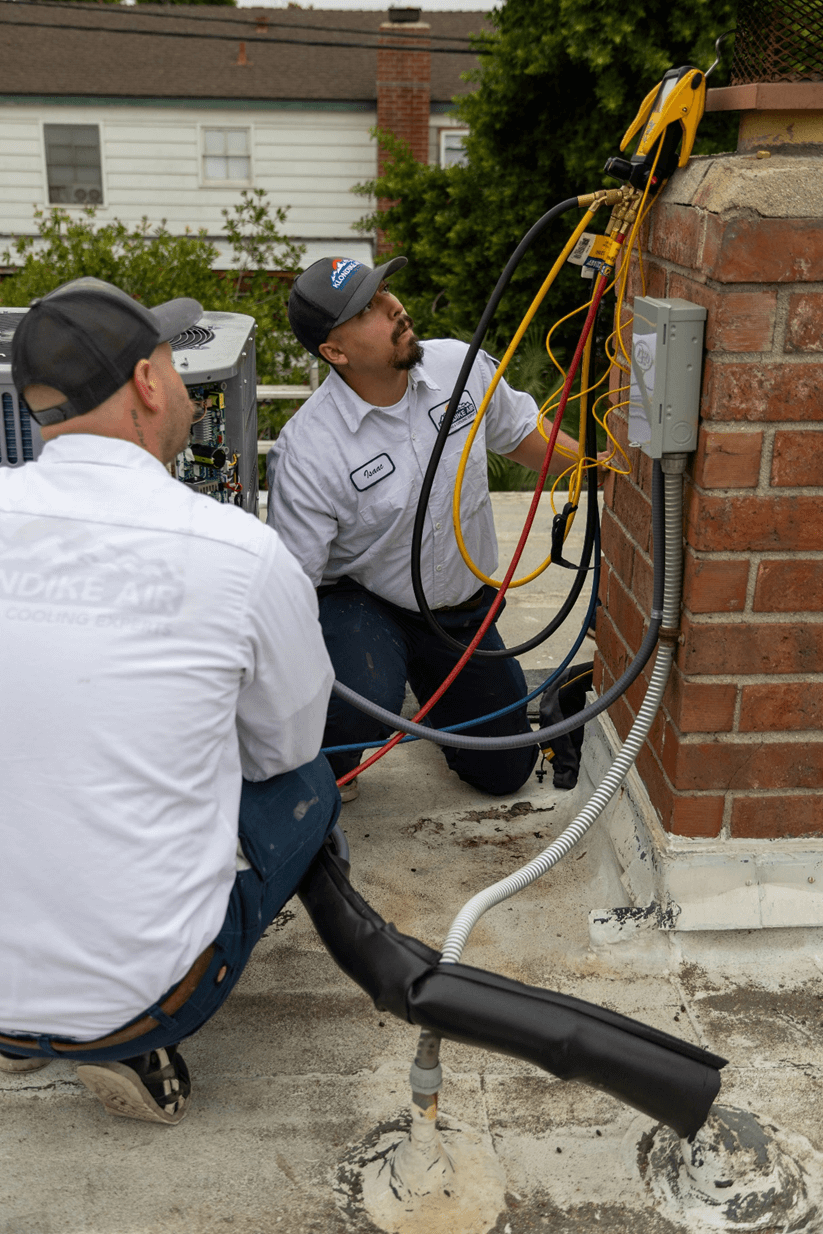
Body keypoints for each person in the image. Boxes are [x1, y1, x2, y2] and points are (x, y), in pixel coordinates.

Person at [0, 277, 339, 1125]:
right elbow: (284, 747)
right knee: (311, 785)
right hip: (145, 997)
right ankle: (122, 1036)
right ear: (149, 385)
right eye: (172, 363)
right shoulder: (239, 552)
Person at [267, 256, 584, 802]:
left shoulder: (459, 368)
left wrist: (604, 468)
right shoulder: (309, 449)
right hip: (366, 602)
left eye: (385, 291)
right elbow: (290, 593)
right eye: (367, 309)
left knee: (506, 771)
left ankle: (439, 697)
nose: (394, 307)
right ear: (335, 352)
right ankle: (331, 754)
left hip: (460, 611)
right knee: (362, 701)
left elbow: (525, 436)